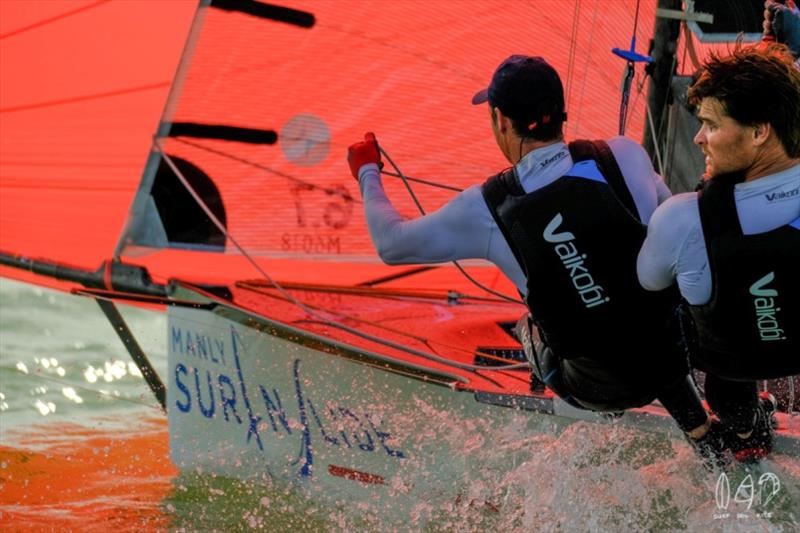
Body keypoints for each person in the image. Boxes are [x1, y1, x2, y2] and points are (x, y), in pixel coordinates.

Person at [348, 55, 725, 465]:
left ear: (501, 121)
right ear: (559, 114)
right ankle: (701, 429)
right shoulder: (622, 155)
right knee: (637, 306)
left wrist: (367, 171)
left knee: (528, 322)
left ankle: (579, 413)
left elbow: (390, 244)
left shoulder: (488, 207)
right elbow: (674, 230)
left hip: (594, 389)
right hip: (673, 354)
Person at [637, 42, 800, 462]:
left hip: (734, 364)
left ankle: (742, 430)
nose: (698, 138)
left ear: (760, 131)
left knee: (657, 307)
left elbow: (649, 282)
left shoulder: (682, 217)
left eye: (710, 124)